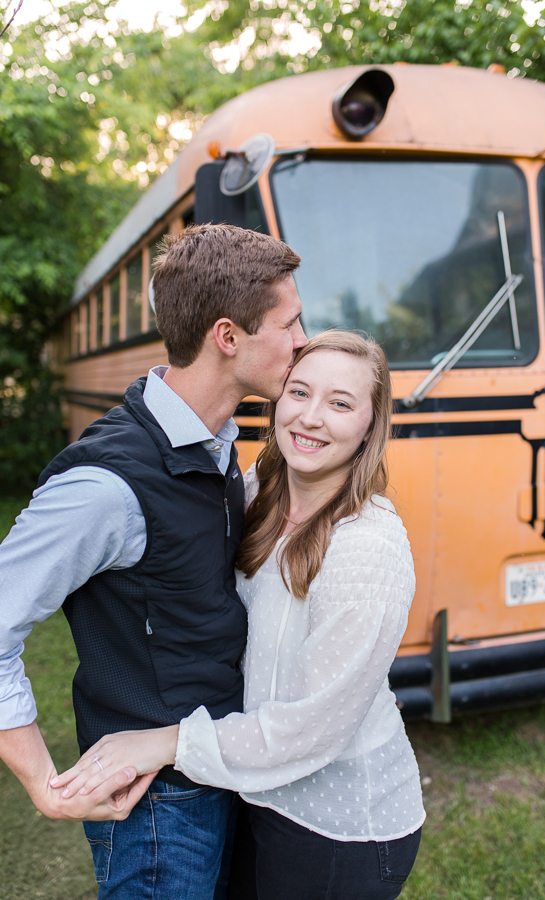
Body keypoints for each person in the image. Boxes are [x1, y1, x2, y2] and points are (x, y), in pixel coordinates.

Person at [52, 329, 424, 900]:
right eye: (299, 392)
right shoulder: (256, 491)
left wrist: (166, 742)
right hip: (252, 793)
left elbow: (312, 729)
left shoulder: (367, 548)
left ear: (372, 426)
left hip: (335, 828)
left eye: (341, 403)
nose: (311, 417)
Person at [0, 224, 306, 898]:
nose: (303, 340)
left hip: (217, 772)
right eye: (291, 322)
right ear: (228, 337)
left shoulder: (217, 443)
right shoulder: (104, 488)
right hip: (157, 811)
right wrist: (43, 786)